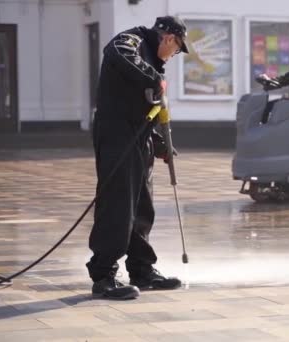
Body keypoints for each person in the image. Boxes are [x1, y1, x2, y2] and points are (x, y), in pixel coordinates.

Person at [87, 16, 189, 300]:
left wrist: (158, 143)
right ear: (168, 38)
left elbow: (145, 109)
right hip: (117, 134)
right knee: (118, 204)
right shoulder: (132, 40)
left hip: (138, 136)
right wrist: (155, 78)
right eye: (177, 48)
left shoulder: (154, 58)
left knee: (142, 206)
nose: (174, 55)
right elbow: (118, 52)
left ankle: (142, 270)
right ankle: (104, 274)